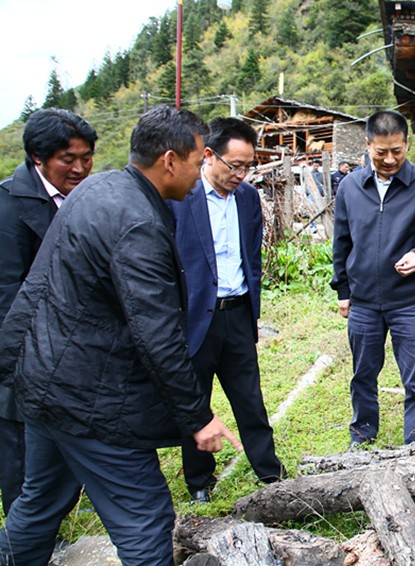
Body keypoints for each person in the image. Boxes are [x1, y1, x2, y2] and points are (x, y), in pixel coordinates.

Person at [0, 106, 239, 565]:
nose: (200, 173)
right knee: (145, 522)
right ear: (169, 160)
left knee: (39, 505)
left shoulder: (96, 189)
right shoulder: (138, 225)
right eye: (197, 161)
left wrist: (14, 366)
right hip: (93, 402)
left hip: (43, 385)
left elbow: (37, 288)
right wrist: (198, 417)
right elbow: (157, 335)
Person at [169, 117, 285, 504]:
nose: (240, 174)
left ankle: (269, 471)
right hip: (195, 316)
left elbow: (252, 258)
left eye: (247, 166)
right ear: (208, 155)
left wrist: (253, 310)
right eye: (234, 165)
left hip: (237, 313)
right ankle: (199, 481)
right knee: (196, 399)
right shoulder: (181, 197)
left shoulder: (248, 198)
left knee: (250, 398)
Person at [331, 110, 415, 447]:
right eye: (381, 151)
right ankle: (362, 434)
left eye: (396, 151)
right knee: (363, 374)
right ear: (367, 144)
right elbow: (341, 242)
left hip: (411, 301)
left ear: (407, 144)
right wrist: (343, 289)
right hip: (364, 302)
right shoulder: (350, 187)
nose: (389, 159)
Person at [0, 109, 97, 516]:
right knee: (20, 443)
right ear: (37, 158)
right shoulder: (8, 206)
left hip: (73, 348)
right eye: (67, 159)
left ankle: (59, 509)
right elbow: (7, 294)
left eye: (86, 158)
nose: (79, 168)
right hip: (25, 349)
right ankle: (24, 533)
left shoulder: (86, 199)